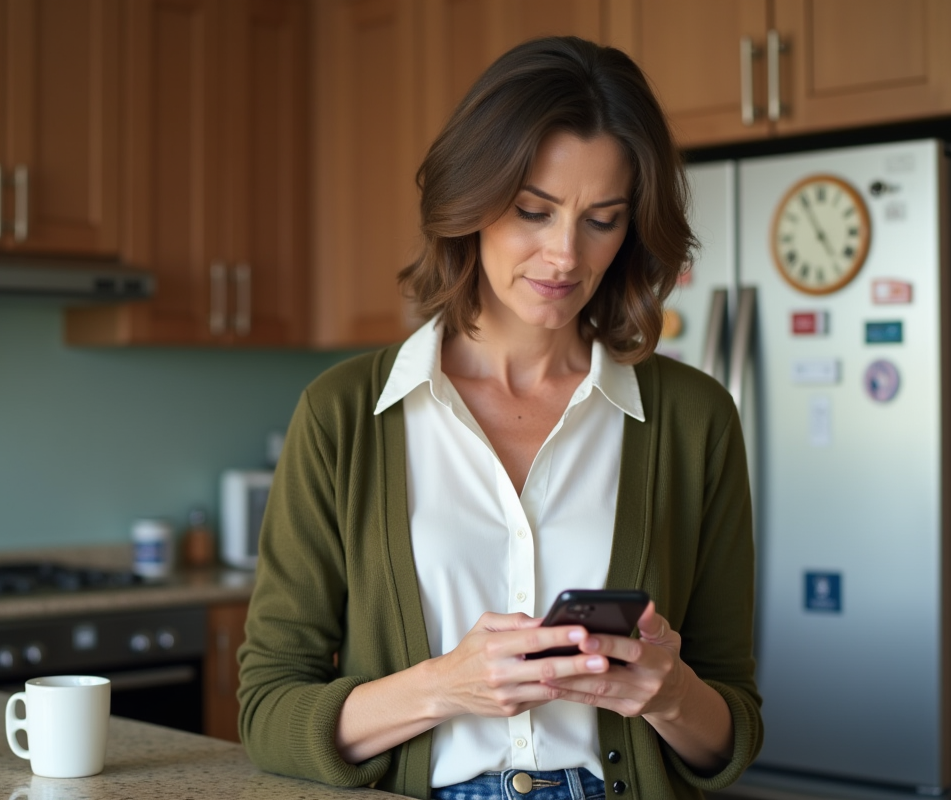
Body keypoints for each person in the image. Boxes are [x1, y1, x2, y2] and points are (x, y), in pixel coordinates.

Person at [238, 36, 761, 800]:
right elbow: (267, 711)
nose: (564, 256)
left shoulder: (694, 419)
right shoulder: (344, 414)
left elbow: (734, 728)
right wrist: (445, 687)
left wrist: (670, 694)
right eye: (532, 211)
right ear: (471, 200)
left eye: (602, 220)